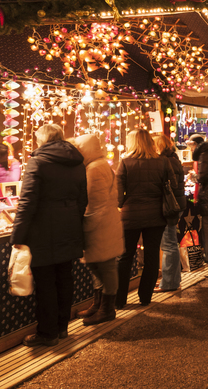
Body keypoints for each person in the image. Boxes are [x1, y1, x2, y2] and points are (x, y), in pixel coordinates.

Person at [10, 124, 87, 346]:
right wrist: (73, 219)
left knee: (45, 284)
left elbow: (27, 202)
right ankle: (62, 328)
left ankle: (47, 333)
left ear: (42, 139)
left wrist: (18, 236)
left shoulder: (38, 161)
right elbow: (83, 199)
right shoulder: (77, 162)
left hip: (42, 231)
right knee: (64, 278)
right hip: (70, 227)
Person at [115, 129, 172, 309]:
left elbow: (118, 194)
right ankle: (145, 296)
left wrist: (123, 204)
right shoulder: (162, 161)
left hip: (130, 214)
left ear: (132, 142)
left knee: (125, 256)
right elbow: (172, 185)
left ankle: (120, 299)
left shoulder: (125, 162)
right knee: (152, 255)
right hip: (156, 214)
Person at [71, 134, 124, 326]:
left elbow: (94, 203)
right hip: (105, 224)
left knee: (105, 268)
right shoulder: (99, 165)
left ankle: (107, 309)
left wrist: (85, 226)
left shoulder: (94, 168)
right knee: (98, 267)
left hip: (100, 227)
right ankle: (99, 304)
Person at [153, 134, 187, 292]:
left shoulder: (165, 161)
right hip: (176, 205)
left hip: (169, 207)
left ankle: (168, 283)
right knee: (170, 243)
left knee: (168, 244)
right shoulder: (173, 158)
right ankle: (172, 280)